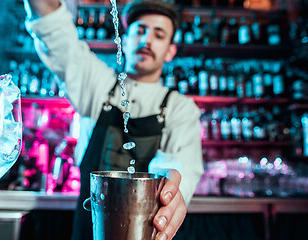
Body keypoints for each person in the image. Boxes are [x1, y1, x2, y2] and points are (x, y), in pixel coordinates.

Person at [23, 0, 203, 239]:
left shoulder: (180, 108)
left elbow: (180, 164)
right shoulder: (98, 85)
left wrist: (170, 188)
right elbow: (56, 35)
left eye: (159, 35)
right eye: (139, 30)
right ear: (125, 40)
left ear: (170, 51)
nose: (147, 40)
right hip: (88, 227)